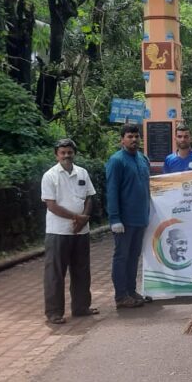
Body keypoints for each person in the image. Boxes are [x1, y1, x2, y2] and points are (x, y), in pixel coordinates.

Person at [41, 139, 98, 324]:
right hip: (58, 232)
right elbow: (51, 205)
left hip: (81, 232)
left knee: (82, 271)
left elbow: (90, 196)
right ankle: (54, 313)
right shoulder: (50, 176)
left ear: (74, 153)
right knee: (55, 274)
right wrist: (76, 218)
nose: (66, 155)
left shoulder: (82, 172)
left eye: (69, 152)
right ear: (56, 155)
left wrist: (84, 218)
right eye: (62, 152)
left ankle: (81, 307)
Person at [107, 124, 152, 309]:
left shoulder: (143, 159)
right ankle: (121, 295)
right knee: (122, 257)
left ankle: (131, 291)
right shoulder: (116, 161)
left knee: (134, 256)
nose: (134, 140)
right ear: (122, 140)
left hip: (140, 218)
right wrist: (115, 218)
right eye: (130, 136)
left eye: (136, 136)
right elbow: (112, 190)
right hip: (124, 221)